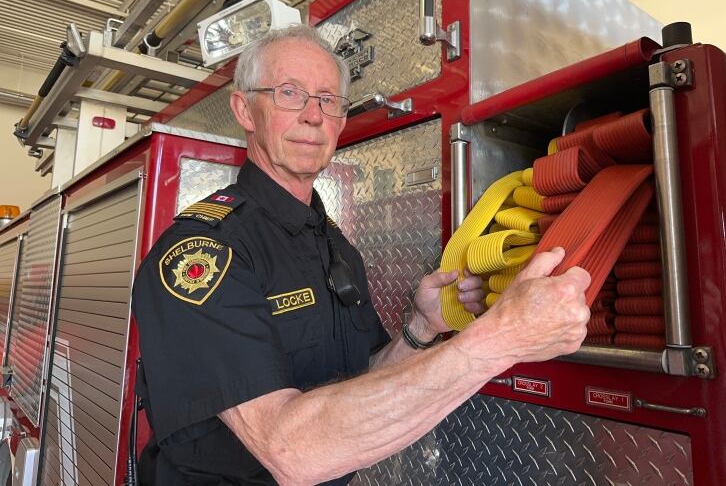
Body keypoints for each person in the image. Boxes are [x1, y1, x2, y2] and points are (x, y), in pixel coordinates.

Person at [132, 25, 591, 486]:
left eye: (329, 100)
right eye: (289, 93)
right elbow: (291, 451)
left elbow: (363, 376)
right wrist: (504, 337)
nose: (313, 116)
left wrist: (420, 329)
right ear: (244, 109)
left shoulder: (336, 246)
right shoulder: (203, 254)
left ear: (341, 121)